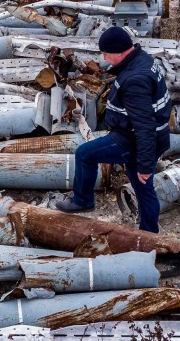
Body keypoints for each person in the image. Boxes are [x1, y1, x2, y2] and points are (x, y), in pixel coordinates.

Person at [55, 26, 171, 233]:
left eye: (106, 53)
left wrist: (145, 164)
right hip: (148, 137)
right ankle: (149, 234)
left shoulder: (135, 80)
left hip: (132, 140)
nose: (105, 58)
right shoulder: (142, 59)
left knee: (85, 154)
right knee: (144, 189)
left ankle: (82, 201)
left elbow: (144, 126)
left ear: (120, 51)